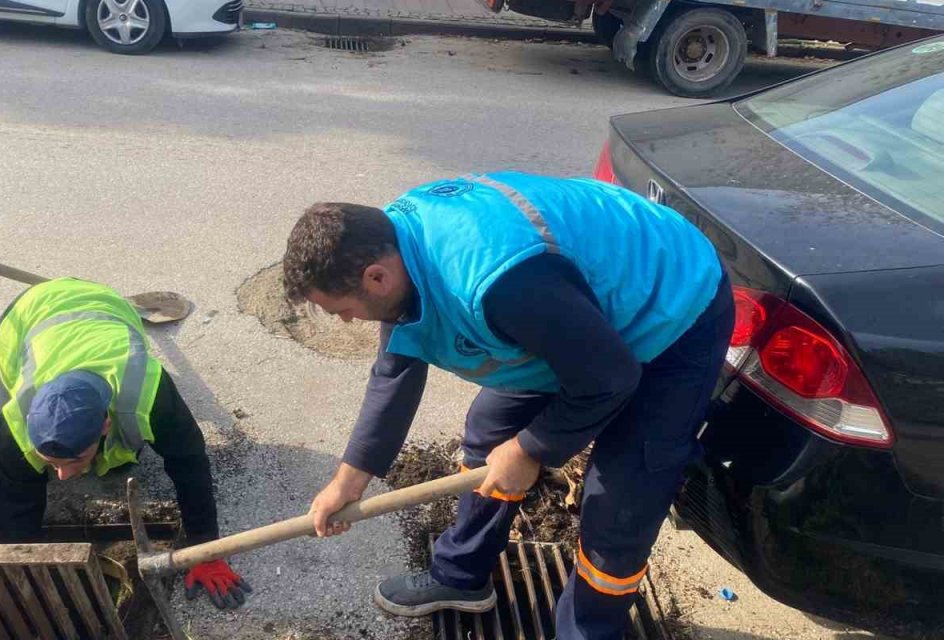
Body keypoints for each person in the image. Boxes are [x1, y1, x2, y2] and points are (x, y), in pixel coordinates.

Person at [283, 171, 733, 639]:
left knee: (619, 496)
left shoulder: (497, 280)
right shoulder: (393, 245)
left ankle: (587, 632)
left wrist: (532, 450)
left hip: (672, 307)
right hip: (572, 315)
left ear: (375, 277)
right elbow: (396, 369)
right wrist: (348, 482)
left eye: (341, 310)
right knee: (490, 430)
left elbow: (612, 377)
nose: (347, 321)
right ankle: (459, 576)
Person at [0, 277, 251, 609]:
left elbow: (190, 462)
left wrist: (205, 549)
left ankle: (104, 454)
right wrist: (26, 581)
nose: (62, 477)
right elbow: (16, 509)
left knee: (133, 450)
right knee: (10, 455)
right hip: (24, 316)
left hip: (105, 305)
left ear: (105, 424)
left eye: (72, 461)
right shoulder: (14, 428)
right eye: (52, 463)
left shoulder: (148, 393)